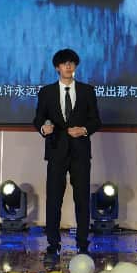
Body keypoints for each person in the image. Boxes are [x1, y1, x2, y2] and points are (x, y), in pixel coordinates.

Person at [34, 48, 102, 256]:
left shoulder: (87, 91)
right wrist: (43, 128)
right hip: (56, 150)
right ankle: (53, 243)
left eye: (72, 63)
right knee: (54, 199)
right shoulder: (47, 92)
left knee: (82, 199)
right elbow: (38, 119)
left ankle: (82, 242)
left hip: (80, 151)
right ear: (57, 67)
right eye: (64, 63)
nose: (68, 66)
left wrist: (84, 130)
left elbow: (96, 121)